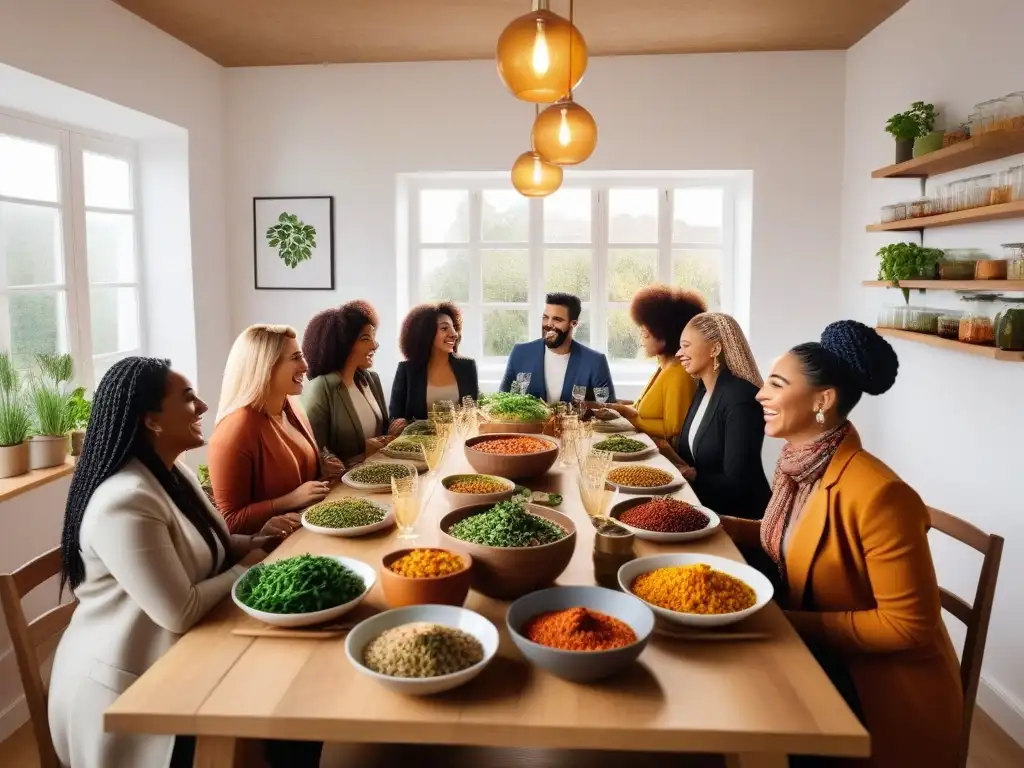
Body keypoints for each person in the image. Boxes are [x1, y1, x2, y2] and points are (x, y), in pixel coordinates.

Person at [48, 357, 321, 768]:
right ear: (152, 421)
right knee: (288, 720)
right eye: (188, 398)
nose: (204, 407)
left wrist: (256, 541)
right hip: (128, 694)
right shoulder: (124, 502)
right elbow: (181, 611)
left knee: (297, 705)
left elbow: (209, 545)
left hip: (183, 660)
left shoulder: (174, 473)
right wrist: (251, 566)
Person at [724, 320, 962, 768]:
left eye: (775, 384)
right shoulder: (798, 464)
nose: (759, 394)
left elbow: (907, 626)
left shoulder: (881, 496)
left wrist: (785, 621)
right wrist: (716, 524)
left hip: (875, 696)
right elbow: (795, 538)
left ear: (822, 401)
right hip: (818, 658)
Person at [208, 324, 335, 535]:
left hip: (310, 531)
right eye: (295, 358)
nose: (305, 366)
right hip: (273, 552)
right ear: (266, 365)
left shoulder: (292, 406)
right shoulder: (235, 431)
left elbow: (301, 479)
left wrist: (324, 470)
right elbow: (229, 521)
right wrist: (288, 501)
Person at [665, 312, 770, 519]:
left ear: (715, 348)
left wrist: (690, 474)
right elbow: (691, 459)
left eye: (686, 345)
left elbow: (738, 483)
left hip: (736, 521)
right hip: (703, 507)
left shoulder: (740, 398)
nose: (678, 353)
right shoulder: (703, 391)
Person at [603, 285, 706, 441]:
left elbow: (674, 429)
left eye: (645, 334)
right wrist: (621, 409)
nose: (641, 340)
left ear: (665, 336)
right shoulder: (664, 368)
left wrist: (628, 416)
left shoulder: (678, 373)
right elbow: (644, 412)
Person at [302, 300, 398, 466]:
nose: (374, 345)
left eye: (373, 338)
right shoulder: (322, 387)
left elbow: (381, 432)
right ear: (344, 345)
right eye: (365, 339)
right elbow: (316, 452)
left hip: (381, 472)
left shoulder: (371, 380)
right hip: (346, 485)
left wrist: (393, 431)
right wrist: (329, 462)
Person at [499, 292, 615, 403]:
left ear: (573, 323)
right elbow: (501, 401)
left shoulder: (595, 362)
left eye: (557, 319)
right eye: (545, 317)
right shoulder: (520, 353)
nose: (548, 324)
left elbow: (608, 410)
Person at [390, 301, 479, 421]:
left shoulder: (467, 367)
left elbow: (472, 413)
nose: (454, 334)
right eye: (444, 328)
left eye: (454, 328)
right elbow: (394, 417)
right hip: (418, 439)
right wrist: (398, 422)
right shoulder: (407, 370)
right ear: (426, 333)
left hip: (458, 438)